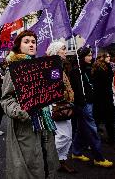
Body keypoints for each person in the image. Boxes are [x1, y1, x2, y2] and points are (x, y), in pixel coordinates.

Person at [0, 30, 59, 179]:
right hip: (25, 125)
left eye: (33, 42)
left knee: (47, 161)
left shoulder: (40, 66)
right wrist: (21, 111)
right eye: (26, 42)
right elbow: (6, 99)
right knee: (29, 166)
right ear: (19, 46)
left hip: (44, 123)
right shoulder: (13, 69)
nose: (31, 44)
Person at [70, 47, 113, 167]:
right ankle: (98, 158)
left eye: (91, 55)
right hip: (83, 104)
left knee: (81, 129)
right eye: (88, 55)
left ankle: (76, 152)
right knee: (93, 130)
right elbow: (77, 90)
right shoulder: (76, 70)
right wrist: (83, 102)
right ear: (82, 56)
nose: (91, 57)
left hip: (89, 103)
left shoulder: (88, 68)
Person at [46, 41, 77, 174]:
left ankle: (61, 161)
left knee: (68, 136)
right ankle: (48, 159)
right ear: (56, 51)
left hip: (65, 105)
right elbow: (53, 89)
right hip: (58, 106)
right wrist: (64, 93)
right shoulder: (53, 67)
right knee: (63, 136)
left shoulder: (59, 66)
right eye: (63, 49)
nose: (65, 51)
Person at [92, 50, 115, 144]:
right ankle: (109, 138)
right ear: (102, 58)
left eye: (109, 56)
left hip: (106, 95)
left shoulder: (107, 67)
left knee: (106, 118)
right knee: (106, 118)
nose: (109, 58)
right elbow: (102, 83)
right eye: (107, 56)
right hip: (103, 96)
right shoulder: (100, 69)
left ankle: (111, 137)